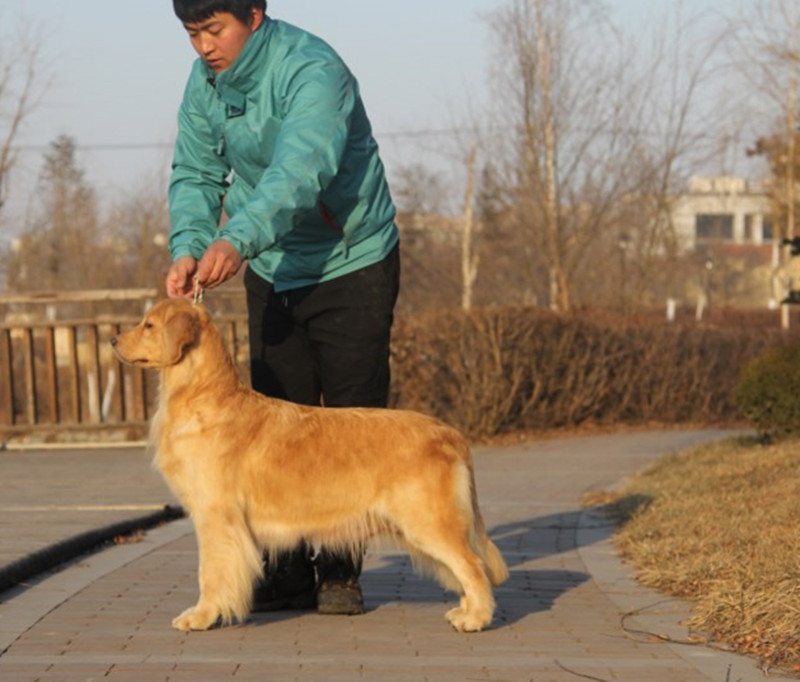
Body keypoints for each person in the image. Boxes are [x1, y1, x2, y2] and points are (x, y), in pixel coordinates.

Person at [165, 0, 400, 616]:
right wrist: (189, 245)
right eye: (192, 34)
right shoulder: (205, 83)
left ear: (254, 13)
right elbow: (196, 170)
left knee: (351, 423)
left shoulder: (314, 69)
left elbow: (301, 170)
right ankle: (286, 572)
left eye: (214, 29)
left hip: (352, 260)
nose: (203, 47)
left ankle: (340, 572)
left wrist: (236, 238)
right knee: (273, 427)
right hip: (273, 264)